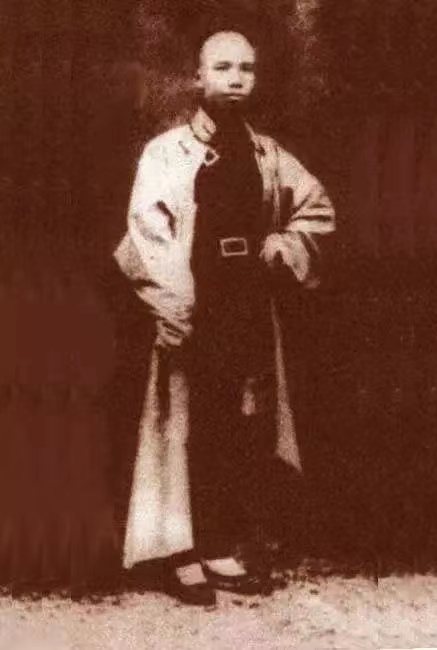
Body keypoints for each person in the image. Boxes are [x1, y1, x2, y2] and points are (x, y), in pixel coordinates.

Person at [113, 29, 335, 606]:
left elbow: (316, 208)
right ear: (198, 77)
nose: (236, 79)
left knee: (236, 424)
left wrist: (284, 243)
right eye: (223, 67)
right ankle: (179, 551)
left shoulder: (267, 154)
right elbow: (147, 231)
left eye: (246, 69)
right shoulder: (166, 153)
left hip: (245, 302)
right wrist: (175, 303)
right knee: (185, 420)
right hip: (194, 297)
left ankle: (216, 542)